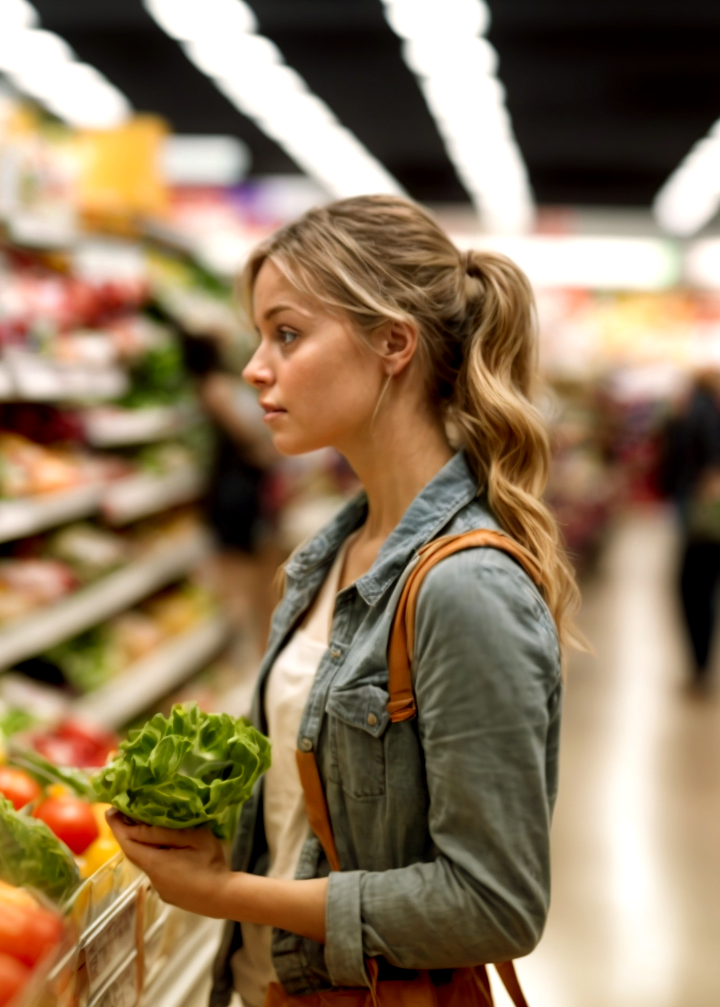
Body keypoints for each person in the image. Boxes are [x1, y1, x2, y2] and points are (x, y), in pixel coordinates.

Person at [104, 196, 577, 1007]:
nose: (257, 366)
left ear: (394, 342)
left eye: (286, 334)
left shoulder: (465, 585)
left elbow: (494, 903)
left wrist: (224, 893)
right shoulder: (329, 554)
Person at [183, 333, 280, 664]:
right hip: (235, 488)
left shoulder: (217, 385)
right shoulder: (215, 387)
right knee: (240, 573)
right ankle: (243, 654)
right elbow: (246, 433)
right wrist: (267, 450)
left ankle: (250, 650)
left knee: (248, 571)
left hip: (237, 486)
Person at [657, 371, 720, 691]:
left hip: (695, 513)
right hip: (703, 515)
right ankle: (702, 664)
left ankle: (700, 664)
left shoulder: (692, 410)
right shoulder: (708, 412)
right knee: (704, 590)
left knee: (694, 588)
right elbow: (715, 465)